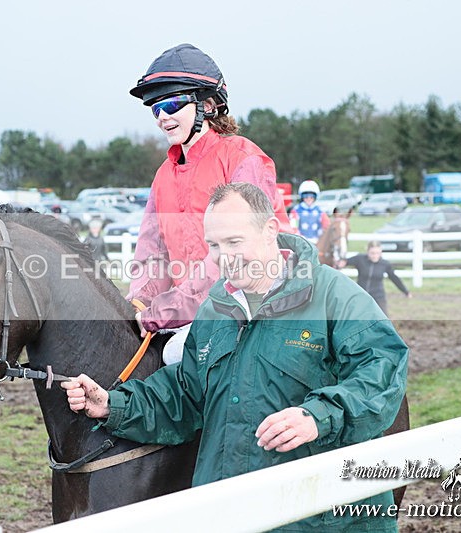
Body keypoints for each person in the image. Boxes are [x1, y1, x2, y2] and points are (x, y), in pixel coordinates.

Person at [63, 183, 408, 532]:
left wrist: (318, 417)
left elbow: (384, 373)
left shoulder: (335, 296)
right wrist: (112, 404)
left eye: (234, 242)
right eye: (213, 245)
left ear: (270, 229)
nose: (223, 256)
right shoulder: (215, 309)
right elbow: (185, 393)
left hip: (321, 519)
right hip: (228, 514)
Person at [126, 43, 295, 365]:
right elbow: (152, 251)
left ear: (208, 105)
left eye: (173, 104)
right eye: (155, 108)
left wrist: (165, 310)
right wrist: (139, 302)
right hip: (191, 311)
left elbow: (234, 255)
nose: (163, 117)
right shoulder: (164, 174)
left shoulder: (244, 159)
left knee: (177, 353)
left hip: (257, 303)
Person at [342, 241, 411, 315]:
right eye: (372, 253)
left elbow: (394, 278)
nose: (375, 256)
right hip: (361, 295)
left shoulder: (385, 264)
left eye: (377, 253)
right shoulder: (360, 259)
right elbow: (343, 262)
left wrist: (405, 291)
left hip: (378, 297)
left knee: (383, 321)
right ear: (367, 251)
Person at [291, 179, 329, 244]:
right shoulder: (296, 210)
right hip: (301, 243)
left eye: (311, 197)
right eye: (306, 196)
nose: (309, 199)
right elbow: (293, 227)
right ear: (302, 197)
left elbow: (326, 226)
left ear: (315, 197)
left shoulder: (320, 211)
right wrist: (301, 238)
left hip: (318, 242)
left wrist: (321, 238)